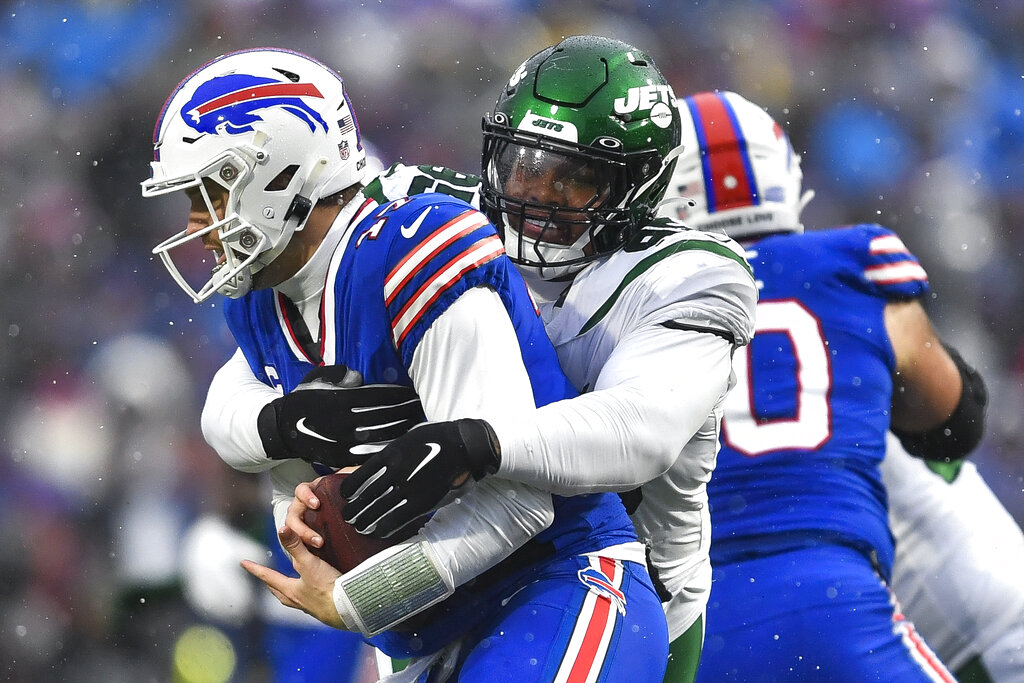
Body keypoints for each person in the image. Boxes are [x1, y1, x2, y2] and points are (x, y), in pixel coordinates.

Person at [209, 36, 758, 682]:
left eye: (576, 178)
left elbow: (640, 431)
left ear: (638, 186)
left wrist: (474, 443)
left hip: (616, 581)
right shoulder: (424, 215)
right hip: (437, 579)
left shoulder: (688, 275)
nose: (538, 194)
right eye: (523, 164)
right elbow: (241, 381)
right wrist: (283, 423)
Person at [657, 90, 988, 681]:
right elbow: (952, 421)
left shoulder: (628, 297)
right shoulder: (853, 263)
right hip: (832, 597)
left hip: (689, 625)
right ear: (784, 179)